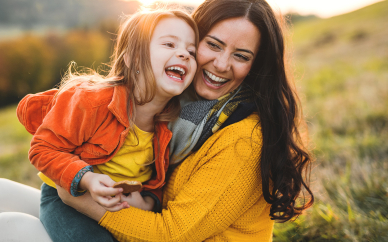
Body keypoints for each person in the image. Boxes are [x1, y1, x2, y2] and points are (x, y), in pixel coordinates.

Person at [0, 0, 314, 241]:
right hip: (115, 207)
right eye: (212, 45)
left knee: (13, 227)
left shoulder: (241, 137)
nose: (221, 64)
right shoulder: (180, 111)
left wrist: (77, 191)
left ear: (257, 66)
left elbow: (172, 233)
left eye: (241, 56)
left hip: (148, 230)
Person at [3, 8, 198, 242]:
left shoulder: (170, 126)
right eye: (169, 44)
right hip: (67, 199)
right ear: (132, 57)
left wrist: (146, 201)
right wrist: (87, 178)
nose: (184, 54)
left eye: (191, 51)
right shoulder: (91, 100)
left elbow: (155, 181)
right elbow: (42, 149)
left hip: (115, 210)